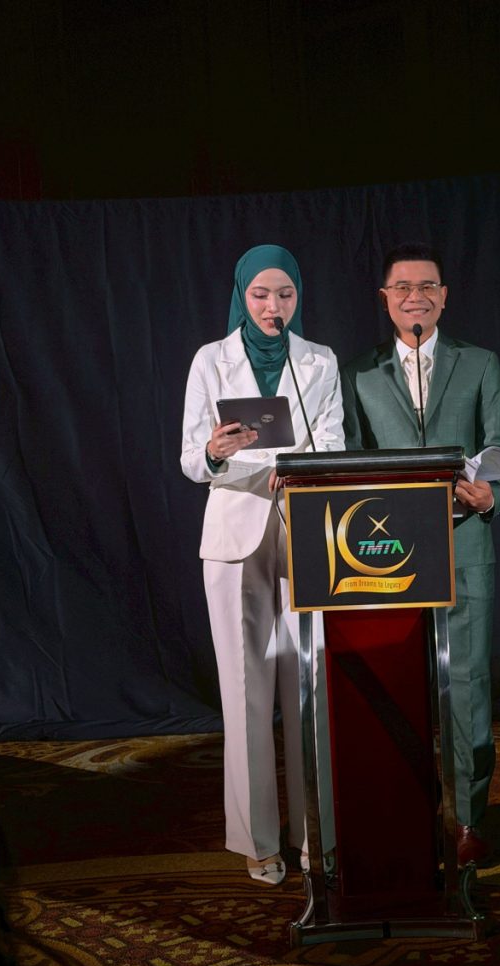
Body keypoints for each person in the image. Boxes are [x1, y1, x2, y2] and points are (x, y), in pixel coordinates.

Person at [340, 242, 500, 866]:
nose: (415, 297)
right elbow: (350, 458)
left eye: (427, 286)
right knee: (397, 686)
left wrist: (492, 495)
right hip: (388, 552)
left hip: (465, 542)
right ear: (385, 298)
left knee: (468, 687)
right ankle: (407, 813)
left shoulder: (480, 363)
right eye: (403, 287)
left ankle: (467, 820)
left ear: (444, 296)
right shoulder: (357, 374)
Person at [181, 245, 343, 884]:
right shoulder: (210, 359)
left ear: (298, 296)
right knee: (244, 690)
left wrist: (295, 467)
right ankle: (257, 841)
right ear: (241, 296)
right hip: (235, 534)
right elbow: (192, 460)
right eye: (260, 294)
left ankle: (314, 834)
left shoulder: (320, 360)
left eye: (284, 294)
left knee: (310, 685)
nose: (273, 306)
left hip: (304, 529)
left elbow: (332, 442)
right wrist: (219, 453)